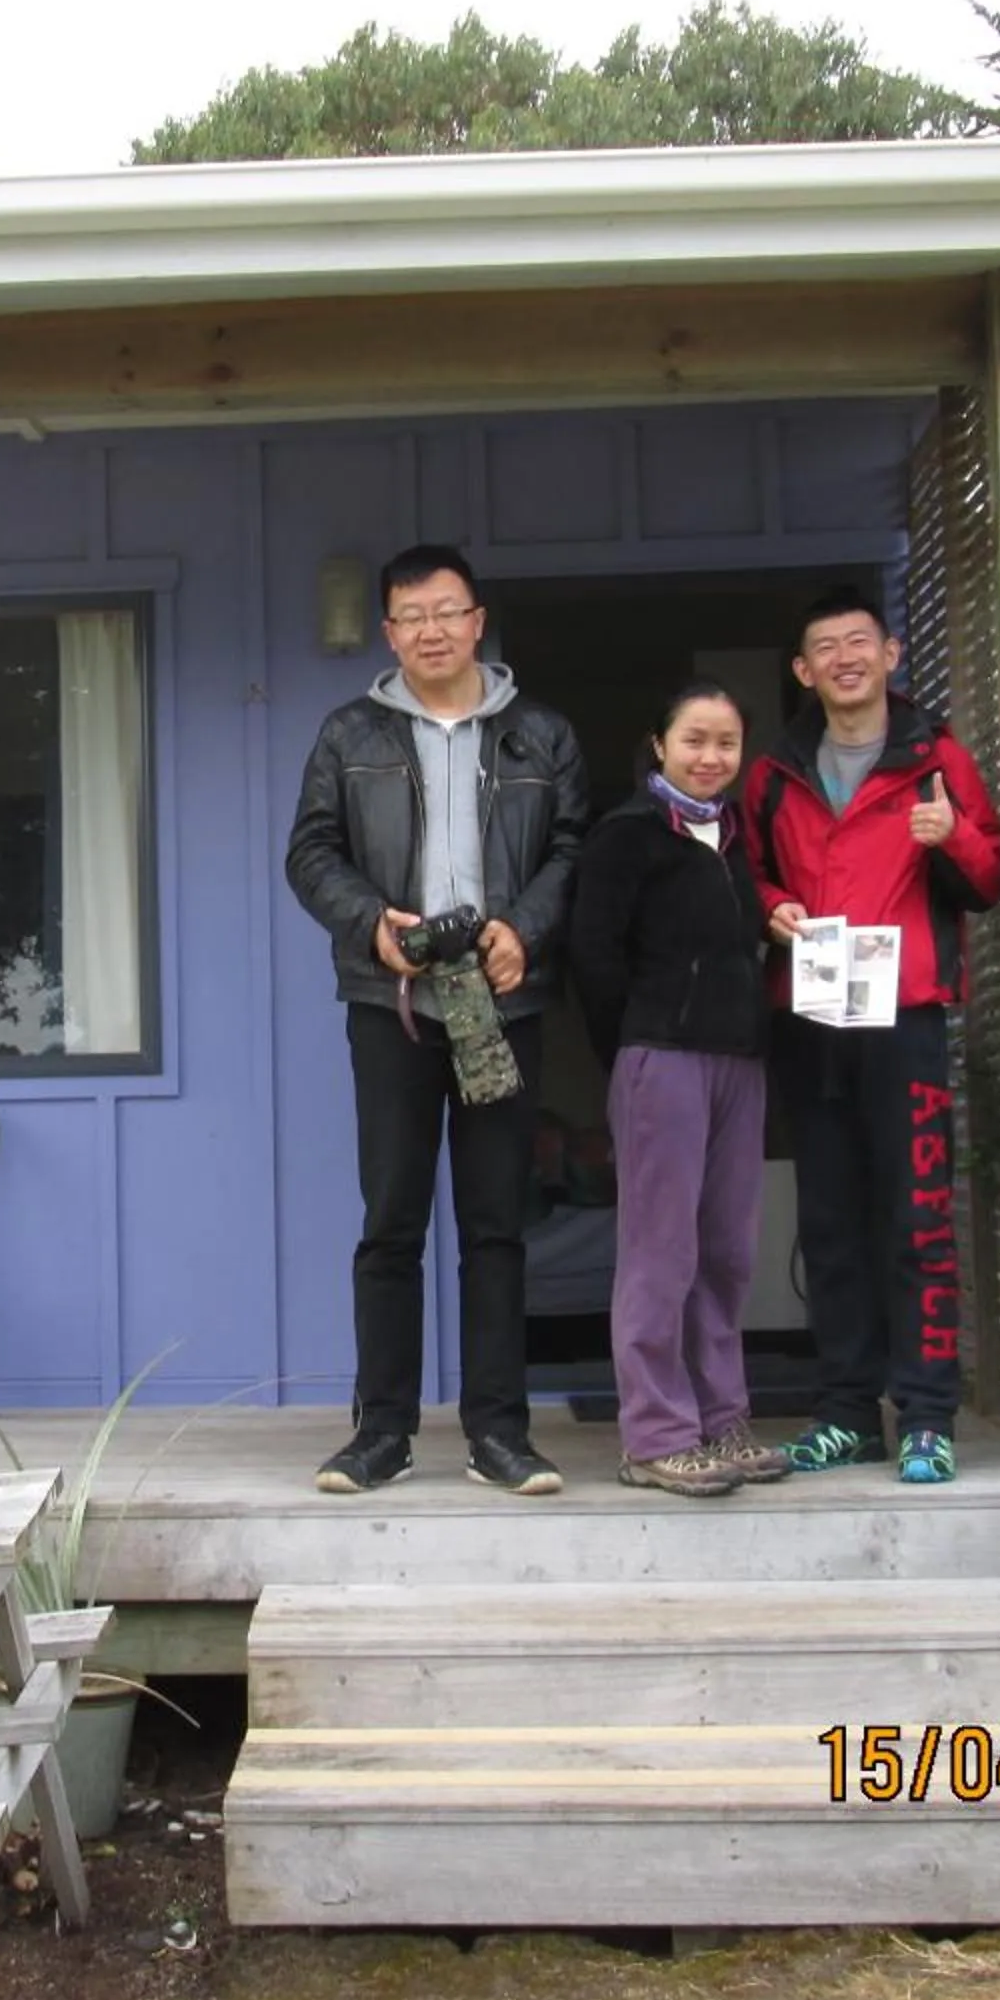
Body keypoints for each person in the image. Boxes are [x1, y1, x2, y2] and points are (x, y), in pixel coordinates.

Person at [285, 544, 587, 1496]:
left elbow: (573, 848)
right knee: (391, 1221)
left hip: (504, 999)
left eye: (446, 612)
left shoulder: (540, 734)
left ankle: (501, 1434)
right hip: (396, 1005)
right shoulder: (349, 734)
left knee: (497, 1222)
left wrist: (523, 932)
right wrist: (371, 924)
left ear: (477, 619)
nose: (431, 631)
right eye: (411, 616)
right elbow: (311, 852)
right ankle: (383, 1435)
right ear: (388, 632)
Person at [748, 584, 1000, 1486]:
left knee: (918, 1215)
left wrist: (950, 837)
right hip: (814, 1012)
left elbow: (991, 876)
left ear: (891, 655)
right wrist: (773, 905)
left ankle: (927, 1415)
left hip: (908, 1015)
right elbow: (746, 872)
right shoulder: (775, 769)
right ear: (803, 670)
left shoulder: (936, 758)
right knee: (828, 1222)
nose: (845, 658)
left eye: (860, 642)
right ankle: (846, 1411)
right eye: (826, 647)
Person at [567, 682, 792, 1498]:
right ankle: (657, 1435)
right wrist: (631, 1052)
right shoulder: (627, 835)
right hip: (661, 1059)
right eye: (694, 739)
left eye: (727, 743)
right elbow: (593, 958)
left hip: (738, 1059)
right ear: (658, 745)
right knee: (661, 1252)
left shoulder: (733, 837)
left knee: (728, 1250)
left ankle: (720, 1418)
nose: (711, 757)